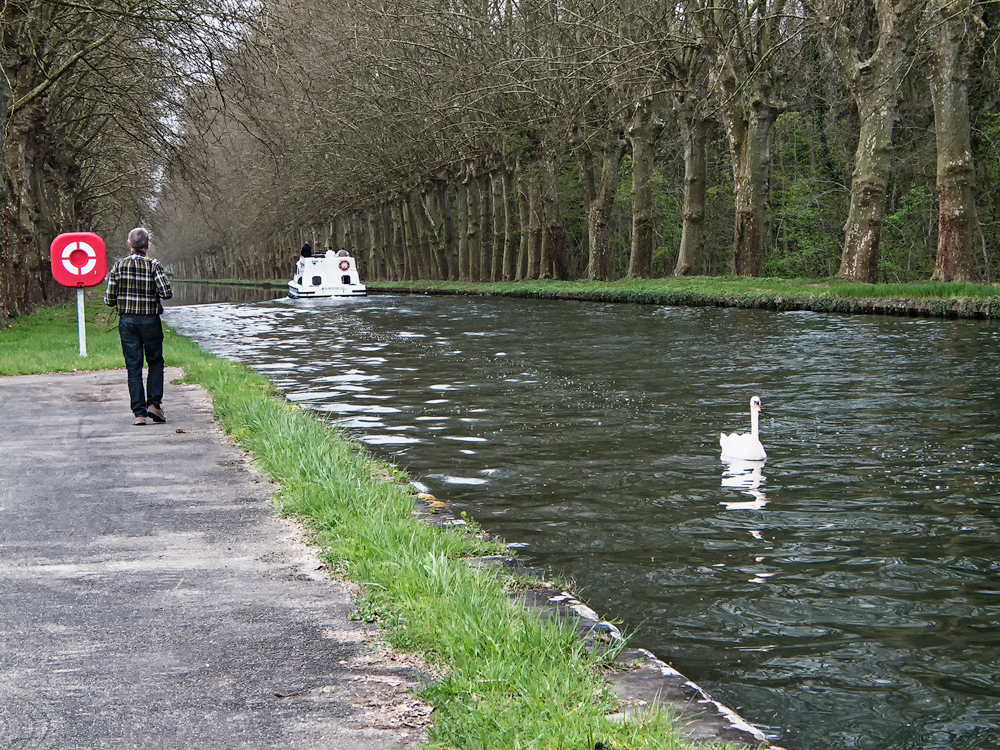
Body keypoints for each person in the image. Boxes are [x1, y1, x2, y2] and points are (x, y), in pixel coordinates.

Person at [104, 227, 173, 426]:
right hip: (150, 321)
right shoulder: (154, 265)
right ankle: (154, 405)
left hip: (127, 322)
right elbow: (166, 293)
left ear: (129, 245)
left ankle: (139, 413)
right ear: (147, 245)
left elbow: (109, 299)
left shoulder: (118, 267)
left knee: (133, 367)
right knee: (155, 362)